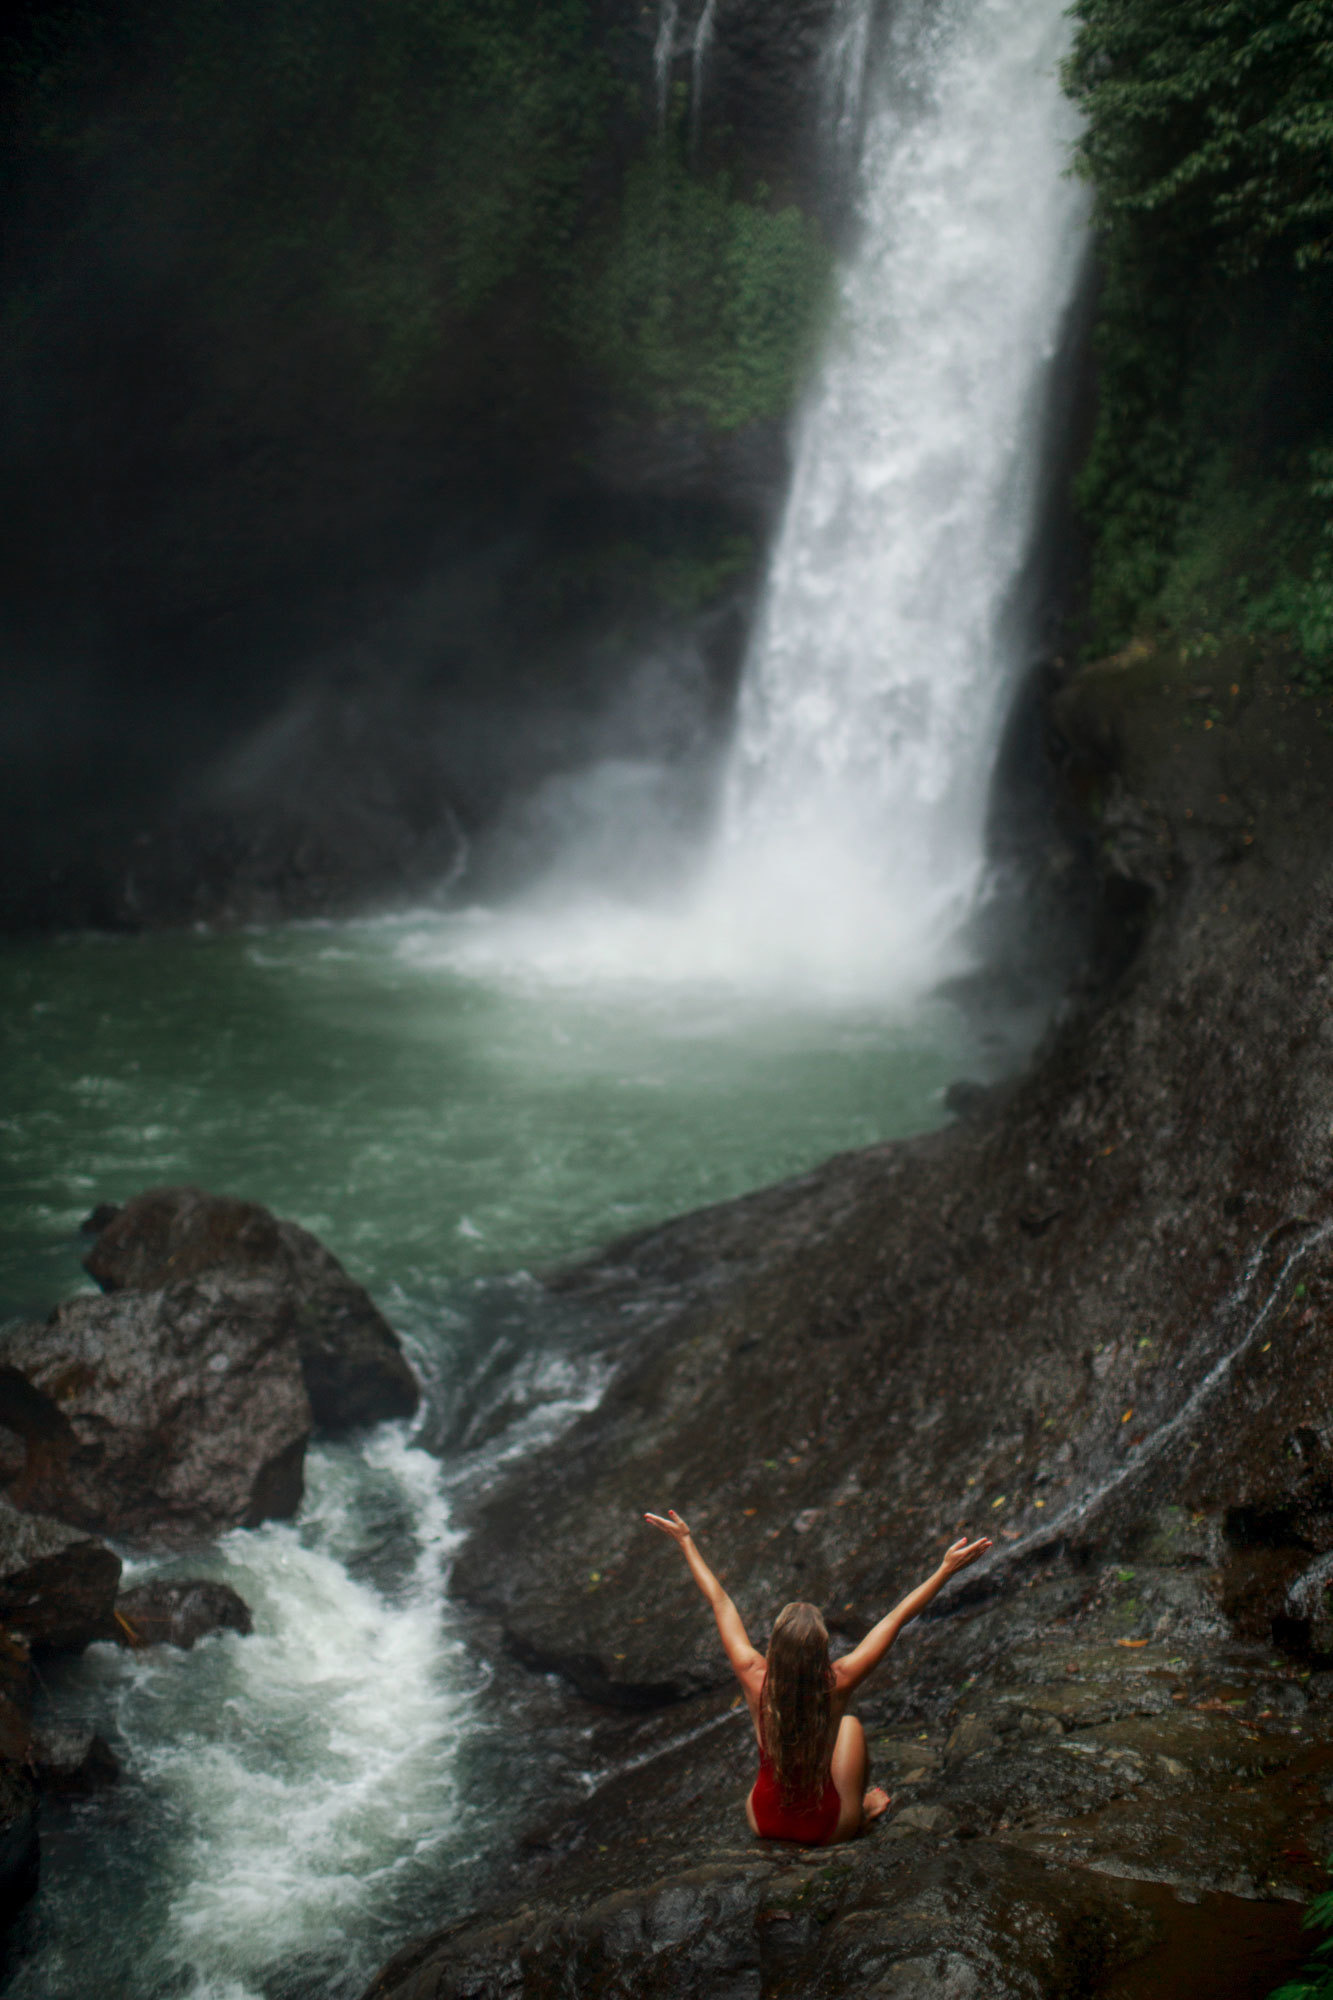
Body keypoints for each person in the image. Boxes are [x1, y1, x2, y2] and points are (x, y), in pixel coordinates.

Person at [643, 1508, 992, 1845]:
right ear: (821, 1651)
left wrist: (686, 1541)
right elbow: (895, 1619)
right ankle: (862, 1811)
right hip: (825, 1828)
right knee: (850, 1726)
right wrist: (945, 1570)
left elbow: (721, 1602)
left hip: (763, 1820)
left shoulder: (753, 1675)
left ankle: (833, 1810)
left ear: (776, 1647)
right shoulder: (839, 1681)